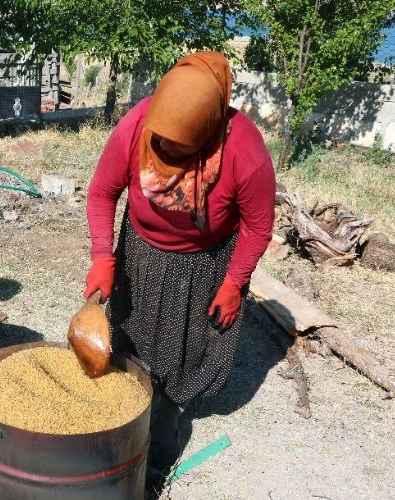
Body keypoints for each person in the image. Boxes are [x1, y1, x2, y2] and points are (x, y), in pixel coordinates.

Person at [84, 52, 276, 490]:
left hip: (204, 263)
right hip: (140, 251)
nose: (165, 151)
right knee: (129, 333)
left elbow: (258, 225)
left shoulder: (244, 151)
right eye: (161, 143)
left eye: (178, 148)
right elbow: (101, 192)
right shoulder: (136, 126)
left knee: (188, 351)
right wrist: (102, 256)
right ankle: (125, 413)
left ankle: (162, 435)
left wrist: (233, 282)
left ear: (208, 131)